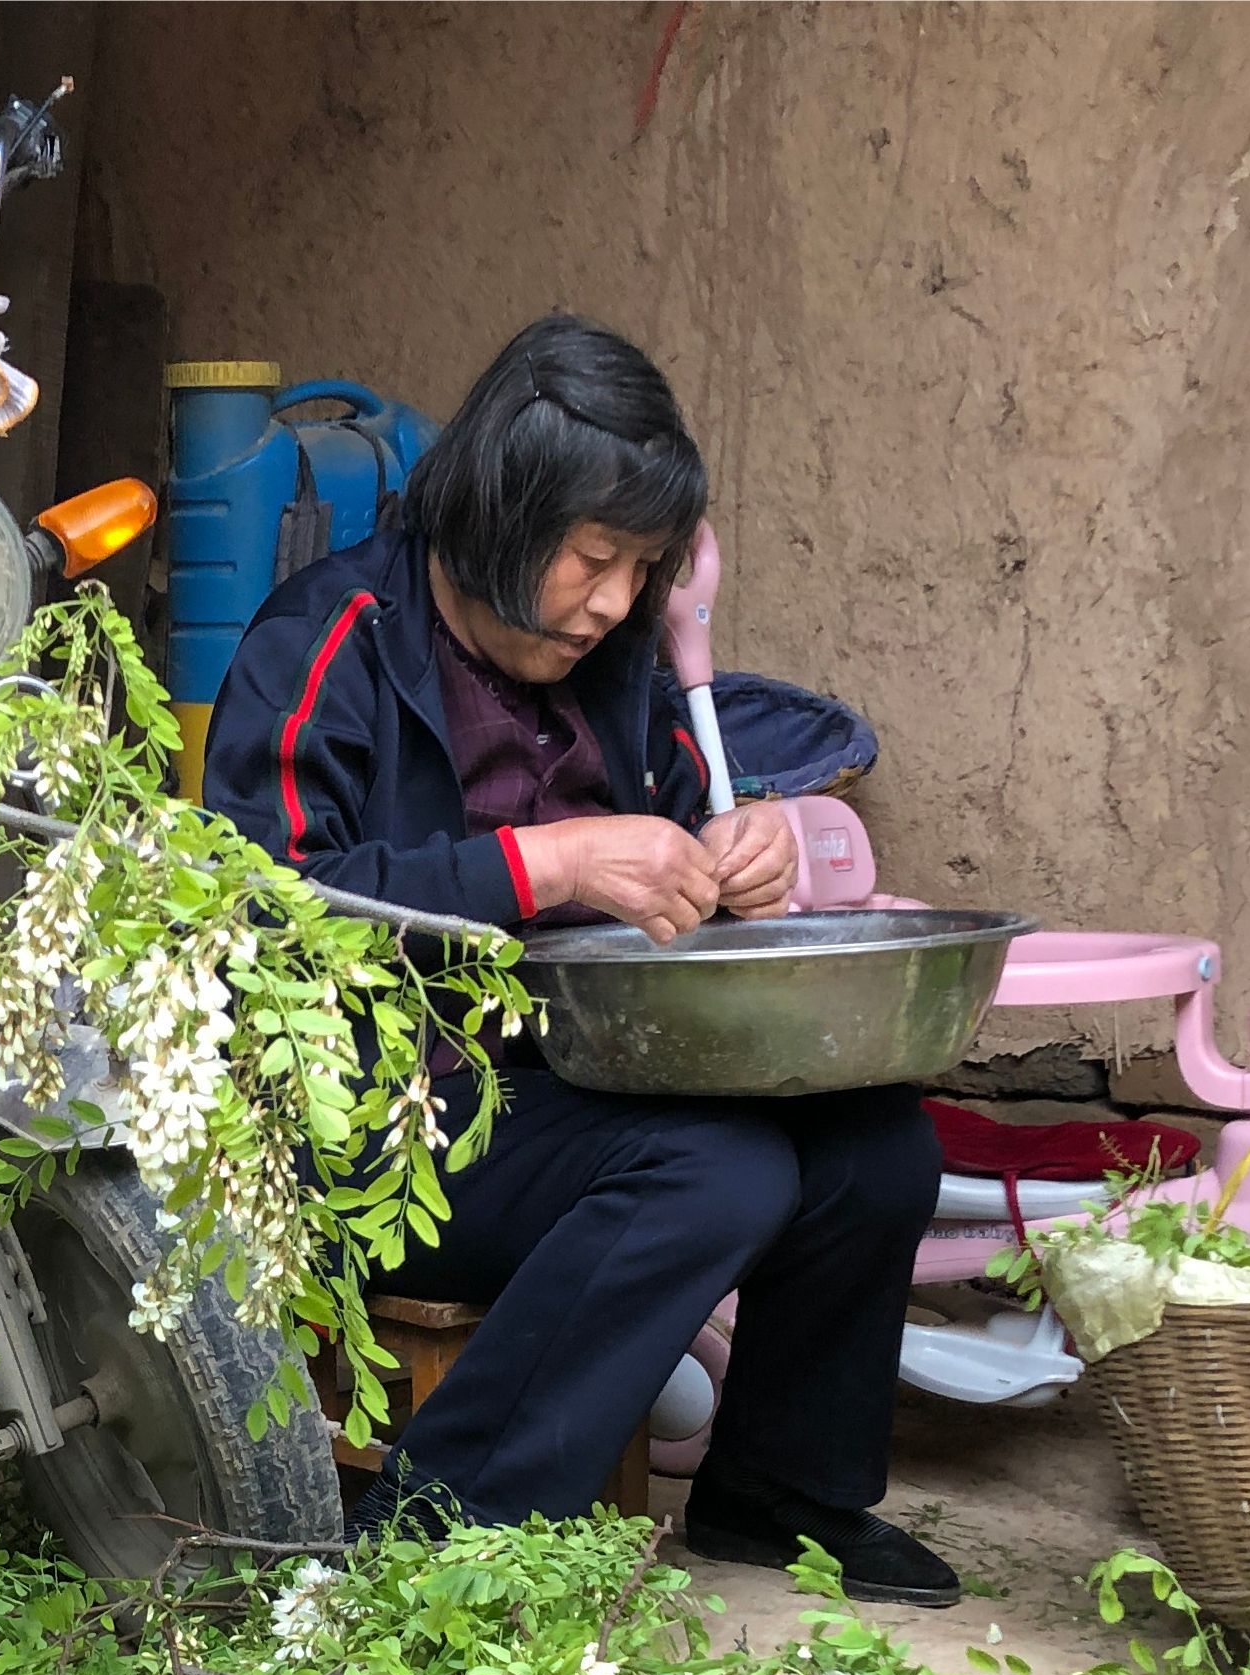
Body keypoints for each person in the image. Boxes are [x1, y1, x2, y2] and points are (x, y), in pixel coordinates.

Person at [199, 313, 960, 1607]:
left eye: (643, 567)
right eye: (594, 557)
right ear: (498, 512)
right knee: (715, 1171)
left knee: (877, 1145)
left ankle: (779, 1496)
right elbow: (257, 914)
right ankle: (438, 1534)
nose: (616, 601)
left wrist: (741, 852)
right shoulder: (327, 641)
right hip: (375, 1117)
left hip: (572, 1078)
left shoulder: (611, 665)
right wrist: (540, 866)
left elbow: (672, 828)